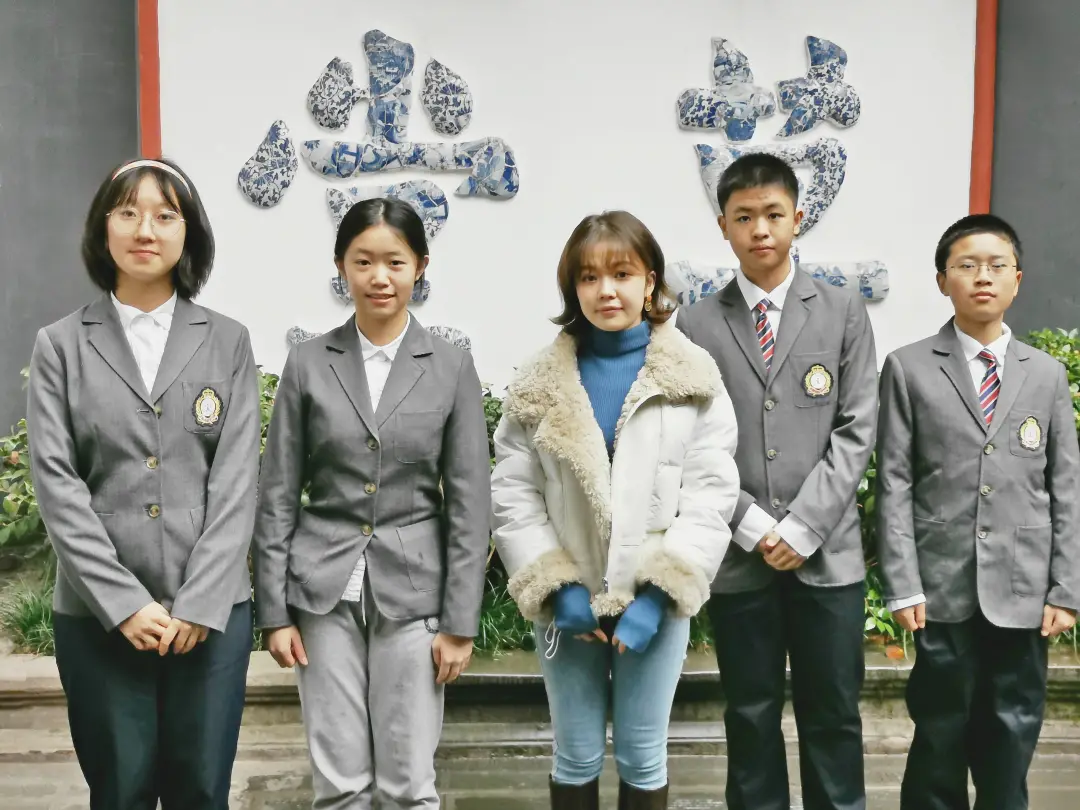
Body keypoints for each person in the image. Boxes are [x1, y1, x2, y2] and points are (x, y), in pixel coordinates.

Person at [26, 158, 260, 809]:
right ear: (103, 229)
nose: (145, 230)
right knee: (120, 789)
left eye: (164, 214)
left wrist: (200, 602)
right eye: (127, 212)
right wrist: (124, 602)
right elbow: (57, 484)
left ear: (190, 232)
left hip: (209, 618)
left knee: (201, 790)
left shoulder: (228, 342)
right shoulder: (61, 346)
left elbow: (236, 481)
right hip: (98, 618)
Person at [491, 210, 741, 810]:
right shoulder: (539, 382)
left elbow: (710, 496)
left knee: (643, 754)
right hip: (568, 606)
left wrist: (657, 597)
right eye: (589, 277)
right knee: (575, 753)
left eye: (622, 274)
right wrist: (557, 587)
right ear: (573, 288)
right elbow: (513, 493)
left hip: (654, 603)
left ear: (649, 281)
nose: (606, 290)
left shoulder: (691, 379)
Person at [252, 197, 491, 810]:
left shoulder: (451, 366)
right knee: (340, 784)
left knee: (409, 783)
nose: (379, 277)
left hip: (415, 594)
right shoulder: (308, 363)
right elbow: (277, 494)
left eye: (395, 262)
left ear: (420, 266)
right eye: (363, 262)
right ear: (341, 266)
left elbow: (470, 505)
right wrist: (274, 613)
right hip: (322, 591)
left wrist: (460, 623)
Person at [677, 153, 878, 810]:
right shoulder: (696, 323)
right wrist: (754, 523)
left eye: (772, 214)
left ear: (798, 217)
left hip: (829, 558)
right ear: (723, 226)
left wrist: (805, 525)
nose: (759, 229)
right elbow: (692, 442)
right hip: (742, 556)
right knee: (750, 713)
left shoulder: (843, 311)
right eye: (744, 217)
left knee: (834, 714)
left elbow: (856, 427)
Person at [876, 214, 1080, 810]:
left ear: (1017, 279)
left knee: (1012, 730)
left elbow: (1065, 486)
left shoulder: (1046, 375)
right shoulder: (909, 367)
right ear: (943, 280)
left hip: (1023, 587)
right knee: (939, 729)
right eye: (966, 266)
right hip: (942, 586)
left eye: (996, 266)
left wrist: (1066, 589)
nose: (982, 277)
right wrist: (903, 583)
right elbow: (894, 482)